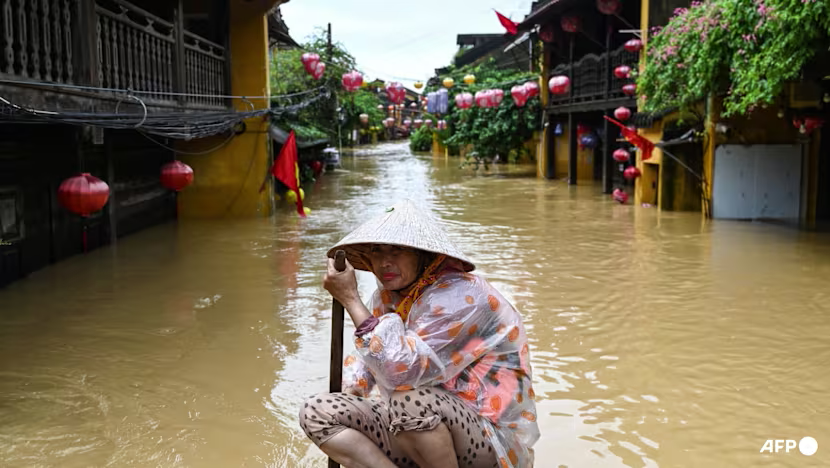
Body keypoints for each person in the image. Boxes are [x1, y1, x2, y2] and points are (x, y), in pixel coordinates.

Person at [299, 199, 539, 468]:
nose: (385, 262)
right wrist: (354, 386)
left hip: (486, 437)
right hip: (422, 426)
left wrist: (351, 300)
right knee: (318, 411)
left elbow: (400, 372)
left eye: (398, 250)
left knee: (407, 399)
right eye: (377, 251)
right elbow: (369, 360)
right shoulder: (389, 297)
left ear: (423, 255)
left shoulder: (462, 294)